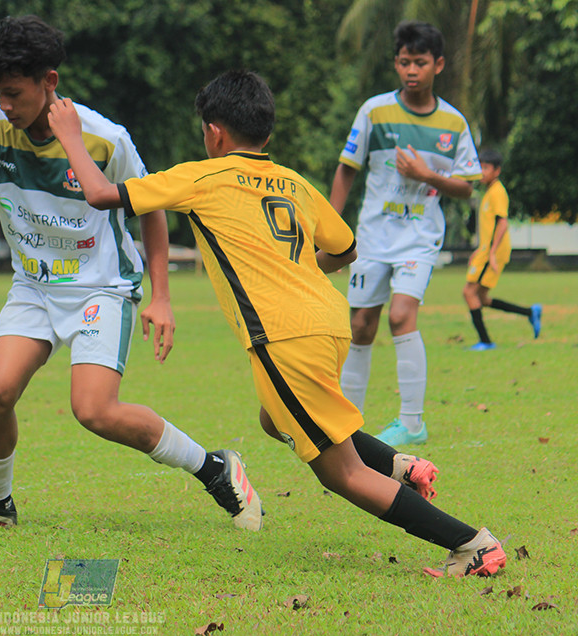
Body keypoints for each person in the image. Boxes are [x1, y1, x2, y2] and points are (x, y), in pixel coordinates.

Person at [49, 69, 506, 577]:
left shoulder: (201, 177)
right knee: (275, 418)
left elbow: (99, 194)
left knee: (342, 475)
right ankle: (400, 465)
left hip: (284, 337)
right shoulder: (294, 182)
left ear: (214, 132)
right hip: (327, 322)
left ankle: (471, 544)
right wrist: (298, 273)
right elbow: (344, 248)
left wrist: (71, 136)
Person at [0, 15, 264, 534]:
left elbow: (152, 210)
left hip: (102, 286)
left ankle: (215, 467)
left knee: (94, 411)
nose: (4, 105)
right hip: (34, 286)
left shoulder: (105, 138)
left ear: (50, 82)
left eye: (14, 93)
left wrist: (161, 297)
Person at [329, 21, 482, 447]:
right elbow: (346, 169)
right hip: (373, 238)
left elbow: (467, 185)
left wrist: (425, 174)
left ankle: (412, 423)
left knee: (399, 316)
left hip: (419, 237)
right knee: (361, 325)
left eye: (420, 62)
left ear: (438, 65)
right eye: (403, 62)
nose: (411, 70)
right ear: (395, 63)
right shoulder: (374, 111)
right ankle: (348, 427)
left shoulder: (454, 123)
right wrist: (330, 225)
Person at [463, 149, 542, 350]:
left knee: (469, 293)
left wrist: (490, 253)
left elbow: (503, 224)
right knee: (482, 298)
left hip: (493, 252)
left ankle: (486, 342)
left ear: (496, 171)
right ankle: (529, 312)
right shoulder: (489, 192)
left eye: (486, 168)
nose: (481, 172)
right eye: (479, 167)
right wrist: (479, 249)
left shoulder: (497, 192)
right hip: (487, 250)